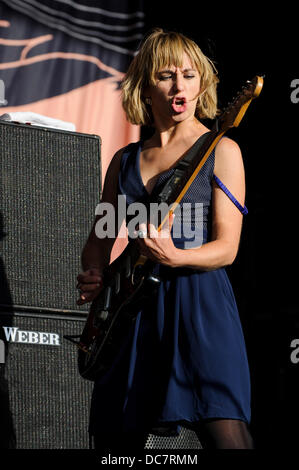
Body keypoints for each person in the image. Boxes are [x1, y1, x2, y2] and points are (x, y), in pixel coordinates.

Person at [76, 28, 254, 451]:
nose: (179, 86)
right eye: (166, 75)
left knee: (226, 433)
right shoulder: (124, 161)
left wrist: (175, 255)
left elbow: (227, 248)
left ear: (202, 84)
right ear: (144, 85)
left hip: (200, 305)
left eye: (190, 75)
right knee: (115, 442)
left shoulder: (221, 150)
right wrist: (94, 273)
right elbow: (101, 237)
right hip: (131, 314)